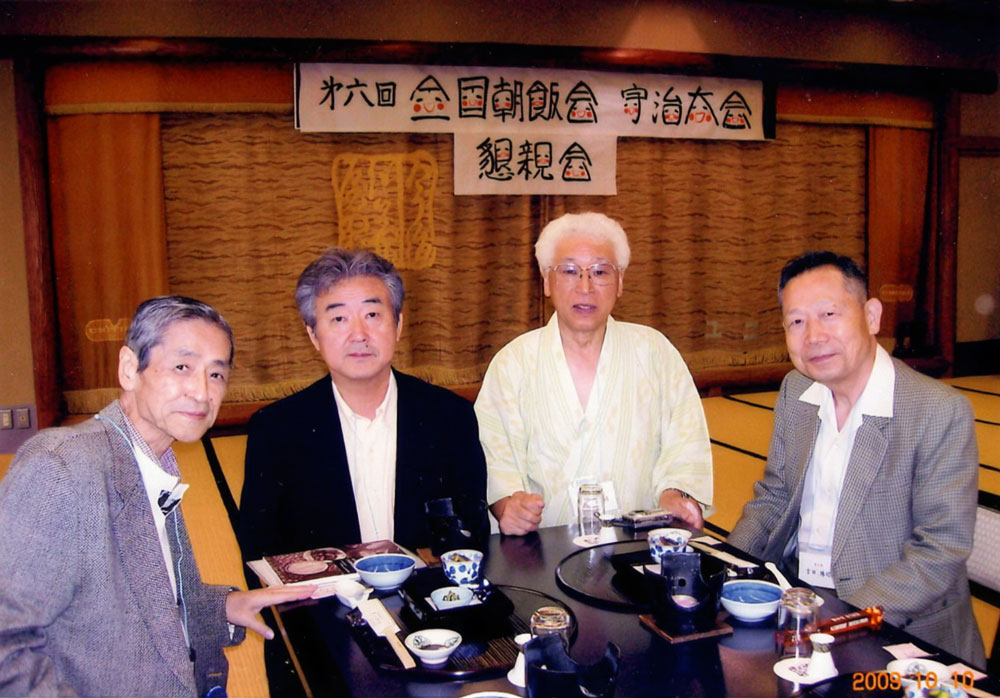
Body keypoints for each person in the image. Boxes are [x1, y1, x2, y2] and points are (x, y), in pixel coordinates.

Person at [0, 296, 315, 697]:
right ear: (129, 369)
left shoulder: (154, 460)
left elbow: (136, 602)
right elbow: (6, 643)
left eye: (216, 374)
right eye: (182, 367)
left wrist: (222, 607)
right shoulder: (62, 466)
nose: (202, 392)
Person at [728, 251, 985, 667]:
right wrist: (724, 569)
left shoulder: (936, 410)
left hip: (895, 625)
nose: (813, 336)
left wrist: (839, 622)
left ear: (871, 316)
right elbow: (774, 497)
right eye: (796, 322)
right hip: (797, 599)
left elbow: (939, 551)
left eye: (829, 314)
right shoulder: (797, 391)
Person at [237, 248, 489, 562]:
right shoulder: (276, 429)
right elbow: (259, 553)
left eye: (372, 315)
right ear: (313, 335)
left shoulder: (450, 416)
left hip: (427, 591)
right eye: (338, 319)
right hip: (325, 594)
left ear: (398, 325)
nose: (359, 334)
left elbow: (471, 536)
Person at [475, 212, 713, 535]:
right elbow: (494, 457)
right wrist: (508, 505)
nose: (585, 287)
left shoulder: (655, 353)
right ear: (546, 281)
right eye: (569, 271)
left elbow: (685, 444)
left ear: (620, 281)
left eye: (600, 271)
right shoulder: (512, 363)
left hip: (636, 544)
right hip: (541, 547)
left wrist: (674, 495)